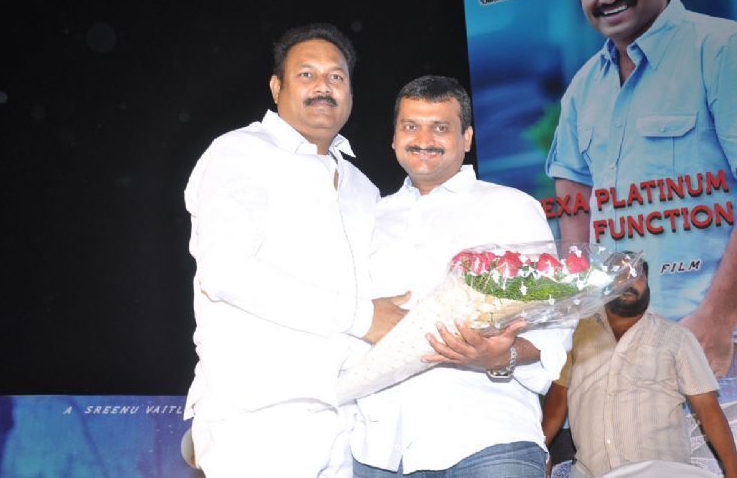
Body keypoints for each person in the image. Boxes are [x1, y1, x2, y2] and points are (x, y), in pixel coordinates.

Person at [183, 23, 408, 478]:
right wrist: (363, 317)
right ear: (276, 87)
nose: (323, 86)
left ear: (350, 93)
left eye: (336, 77)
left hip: (346, 422)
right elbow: (225, 271)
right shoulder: (241, 152)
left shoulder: (362, 188)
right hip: (260, 418)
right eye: (307, 74)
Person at [350, 75, 574, 477]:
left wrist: (500, 355)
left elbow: (555, 324)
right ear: (394, 137)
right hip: (381, 450)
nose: (423, 139)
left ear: (466, 138)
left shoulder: (510, 207)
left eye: (440, 127)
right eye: (411, 126)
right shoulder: (369, 218)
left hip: (487, 439)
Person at [545, 0, 737, 376]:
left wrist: (719, 318)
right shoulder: (583, 86)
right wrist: (587, 322)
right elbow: (573, 201)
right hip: (625, 352)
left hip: (716, 343)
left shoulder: (722, 50)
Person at [542, 258, 737, 477]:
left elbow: (707, 408)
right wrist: (538, 449)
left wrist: (733, 471)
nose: (629, 281)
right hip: (590, 472)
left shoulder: (676, 336)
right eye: (619, 274)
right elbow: (558, 399)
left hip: (661, 471)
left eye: (637, 276)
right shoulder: (575, 334)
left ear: (648, 285)